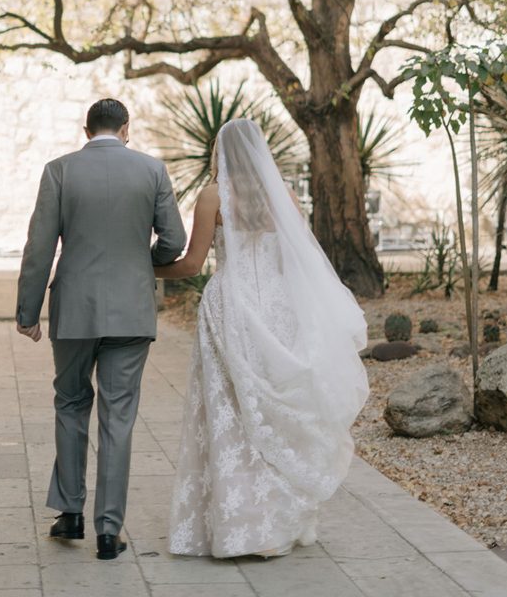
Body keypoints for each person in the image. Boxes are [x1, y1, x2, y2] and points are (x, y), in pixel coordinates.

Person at [155, 118, 369, 559]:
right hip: (276, 308)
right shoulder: (284, 196)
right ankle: (280, 520)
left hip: (229, 306)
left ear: (220, 152)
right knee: (272, 413)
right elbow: (299, 262)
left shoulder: (213, 196)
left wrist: (147, 268)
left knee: (229, 412)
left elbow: (193, 264)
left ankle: (239, 526)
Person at [16, 98, 186, 561]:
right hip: (131, 312)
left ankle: (70, 513)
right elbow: (174, 241)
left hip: (73, 311)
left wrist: (27, 311)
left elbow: (39, 246)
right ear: (126, 128)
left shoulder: (59, 170)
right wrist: (138, 264)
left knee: (70, 404)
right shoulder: (152, 170)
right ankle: (108, 531)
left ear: (86, 129)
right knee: (119, 418)